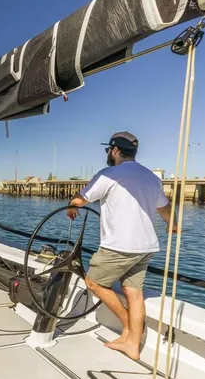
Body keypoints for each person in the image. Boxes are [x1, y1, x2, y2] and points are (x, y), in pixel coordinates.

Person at [66, 132, 177, 360]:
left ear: (114, 150)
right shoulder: (151, 178)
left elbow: (83, 198)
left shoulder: (109, 174)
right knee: (133, 292)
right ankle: (132, 345)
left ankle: (128, 324)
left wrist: (72, 204)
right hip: (146, 246)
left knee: (93, 283)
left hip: (119, 246)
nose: (108, 153)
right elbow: (164, 208)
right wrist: (172, 224)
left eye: (109, 150)